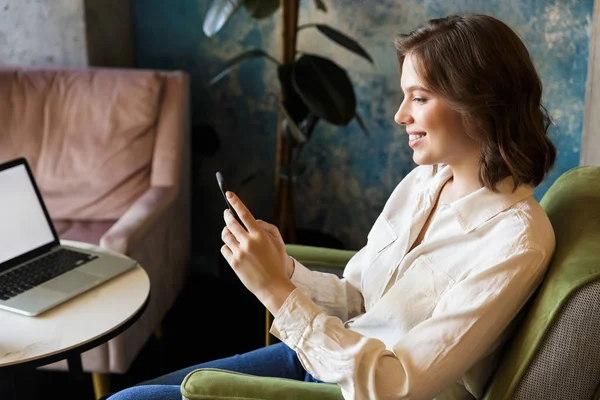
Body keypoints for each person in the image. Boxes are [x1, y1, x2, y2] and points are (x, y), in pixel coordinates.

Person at [107, 12, 557, 400]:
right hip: (324, 354)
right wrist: (282, 268)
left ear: (479, 103)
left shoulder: (515, 241)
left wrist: (275, 292)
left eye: (419, 98)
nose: (401, 115)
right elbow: (360, 299)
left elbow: (395, 385)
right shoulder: (425, 182)